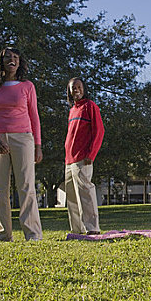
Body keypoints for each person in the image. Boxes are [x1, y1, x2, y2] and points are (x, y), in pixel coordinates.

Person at [0, 47, 43, 242]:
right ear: (1, 61)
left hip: (23, 139)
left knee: (26, 186)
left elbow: (34, 116)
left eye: (16, 57)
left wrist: (38, 145)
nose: (12, 60)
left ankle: (32, 234)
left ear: (19, 63)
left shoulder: (27, 86)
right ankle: (2, 234)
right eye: (8, 57)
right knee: (0, 188)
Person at [64, 77, 104, 235]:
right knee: (72, 197)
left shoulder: (90, 106)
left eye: (79, 87)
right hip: (69, 159)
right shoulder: (72, 110)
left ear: (84, 89)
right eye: (73, 88)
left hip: (83, 158)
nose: (76, 90)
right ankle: (77, 230)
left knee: (85, 193)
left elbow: (99, 131)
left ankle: (92, 228)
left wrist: (91, 154)